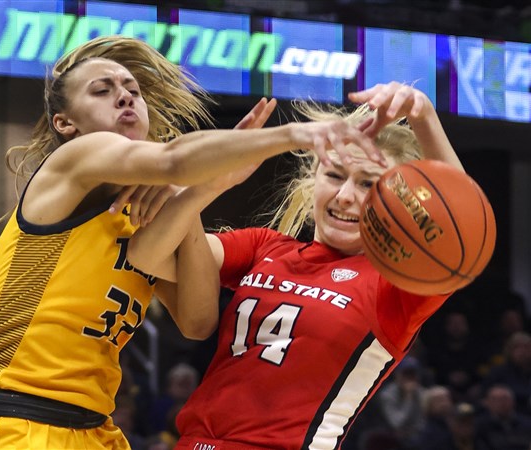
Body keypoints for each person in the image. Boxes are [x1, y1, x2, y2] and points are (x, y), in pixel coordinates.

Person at [0, 34, 380, 450]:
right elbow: (173, 160)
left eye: (133, 88)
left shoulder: (151, 208)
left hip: (92, 428)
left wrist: (205, 189)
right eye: (102, 89)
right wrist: (290, 136)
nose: (126, 95)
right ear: (65, 124)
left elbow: (197, 322)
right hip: (14, 418)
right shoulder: (74, 160)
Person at [119, 81, 468, 449]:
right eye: (334, 175)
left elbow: (462, 232)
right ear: (311, 179)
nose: (346, 196)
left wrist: (424, 115)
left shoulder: (395, 285)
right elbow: (151, 254)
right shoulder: (264, 246)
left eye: (368, 185)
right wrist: (206, 184)